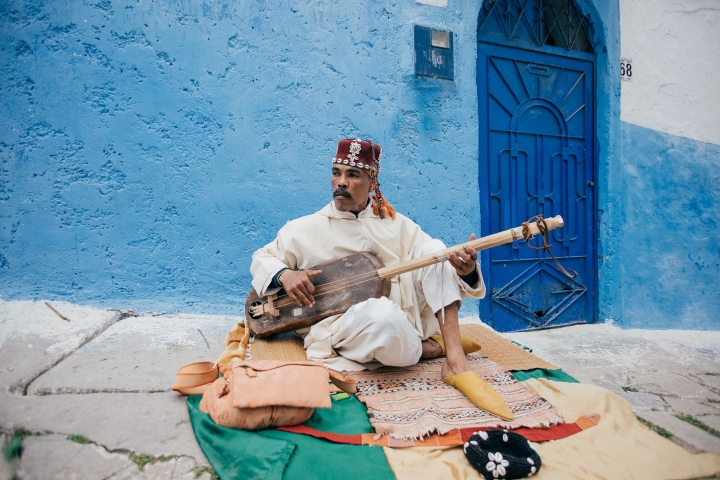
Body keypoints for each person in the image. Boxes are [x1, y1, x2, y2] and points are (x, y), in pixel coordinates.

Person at [250, 138, 512, 420]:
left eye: (353, 175)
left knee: (436, 251)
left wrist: (465, 270)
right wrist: (285, 274)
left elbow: (440, 264)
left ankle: (456, 361)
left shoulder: (395, 222)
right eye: (336, 173)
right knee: (382, 315)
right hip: (356, 326)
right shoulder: (304, 229)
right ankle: (428, 348)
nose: (342, 182)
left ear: (372, 181)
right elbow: (261, 259)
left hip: (407, 314)